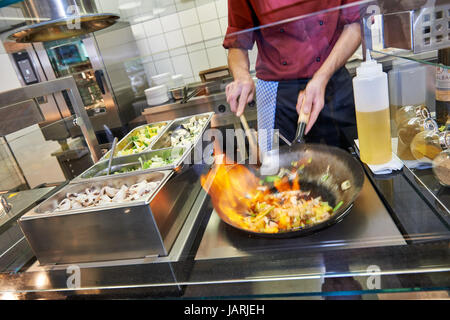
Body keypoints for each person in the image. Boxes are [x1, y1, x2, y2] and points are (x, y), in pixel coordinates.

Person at [223, 0, 363, 152]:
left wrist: (322, 77)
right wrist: (241, 75)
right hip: (277, 94)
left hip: (333, 82)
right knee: (277, 168)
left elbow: (356, 25)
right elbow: (237, 42)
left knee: (351, 162)